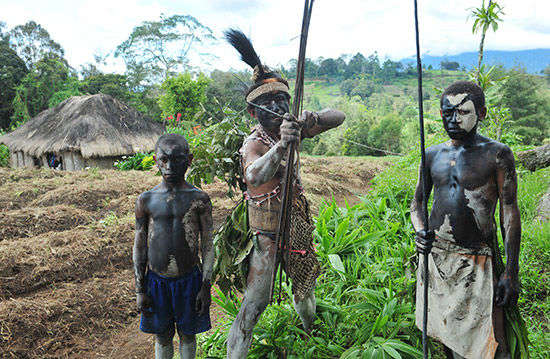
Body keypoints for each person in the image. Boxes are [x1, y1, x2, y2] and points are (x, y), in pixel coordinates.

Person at [223, 29, 345, 358]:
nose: (277, 106)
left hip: (296, 229)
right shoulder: (256, 142)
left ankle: (310, 337)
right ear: (253, 112)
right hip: (266, 237)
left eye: (282, 101)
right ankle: (235, 352)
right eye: (268, 103)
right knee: (254, 305)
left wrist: (311, 119)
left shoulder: (293, 127)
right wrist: (281, 145)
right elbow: (253, 174)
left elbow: (339, 116)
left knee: (305, 292)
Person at [411, 81, 521, 359]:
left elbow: (509, 211)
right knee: (448, 335)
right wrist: (421, 230)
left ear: (482, 113)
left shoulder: (496, 154)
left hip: (478, 261)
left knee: (492, 344)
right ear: (439, 114)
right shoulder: (432, 154)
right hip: (437, 260)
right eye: (448, 113)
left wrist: (510, 271)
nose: (454, 119)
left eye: (463, 112)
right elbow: (418, 204)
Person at [133, 134, 214, 359]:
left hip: (190, 279)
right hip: (156, 281)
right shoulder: (146, 200)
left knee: (188, 335)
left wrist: (205, 285)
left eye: (177, 160)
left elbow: (208, 245)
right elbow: (139, 246)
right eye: (164, 160)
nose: (169, 166)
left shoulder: (199, 199)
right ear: (155, 159)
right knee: (162, 335)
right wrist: (140, 288)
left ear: (189, 160)